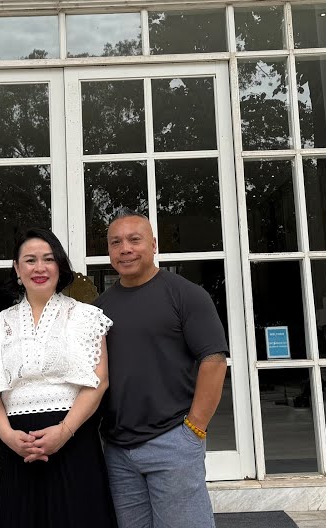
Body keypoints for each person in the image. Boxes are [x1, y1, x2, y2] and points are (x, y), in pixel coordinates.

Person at [0, 228, 117, 528]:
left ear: (60, 266)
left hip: (74, 440)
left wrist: (64, 432)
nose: (39, 267)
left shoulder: (87, 317)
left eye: (48, 259)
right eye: (30, 260)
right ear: (17, 268)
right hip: (19, 447)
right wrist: (9, 436)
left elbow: (98, 382)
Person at [94, 213, 228, 528]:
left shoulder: (185, 294)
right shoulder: (99, 309)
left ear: (153, 245)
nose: (124, 249)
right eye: (116, 242)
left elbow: (214, 360)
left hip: (172, 441)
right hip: (118, 450)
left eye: (134, 239)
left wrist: (194, 430)